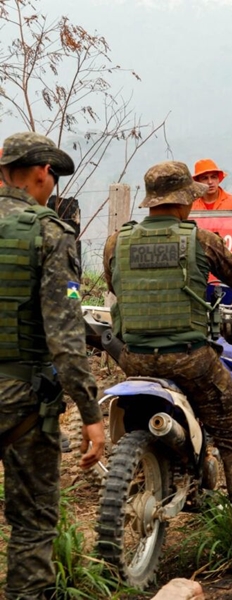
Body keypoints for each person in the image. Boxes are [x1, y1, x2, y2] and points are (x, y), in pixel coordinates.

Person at [103, 161, 232, 569]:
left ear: (152, 201)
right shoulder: (199, 240)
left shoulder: (117, 242)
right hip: (190, 358)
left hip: (133, 357)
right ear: (186, 200)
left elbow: (116, 285)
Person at [0, 132, 105, 599]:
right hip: (21, 402)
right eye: (53, 176)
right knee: (31, 520)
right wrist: (90, 413)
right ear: (42, 172)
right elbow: (65, 337)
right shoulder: (49, 232)